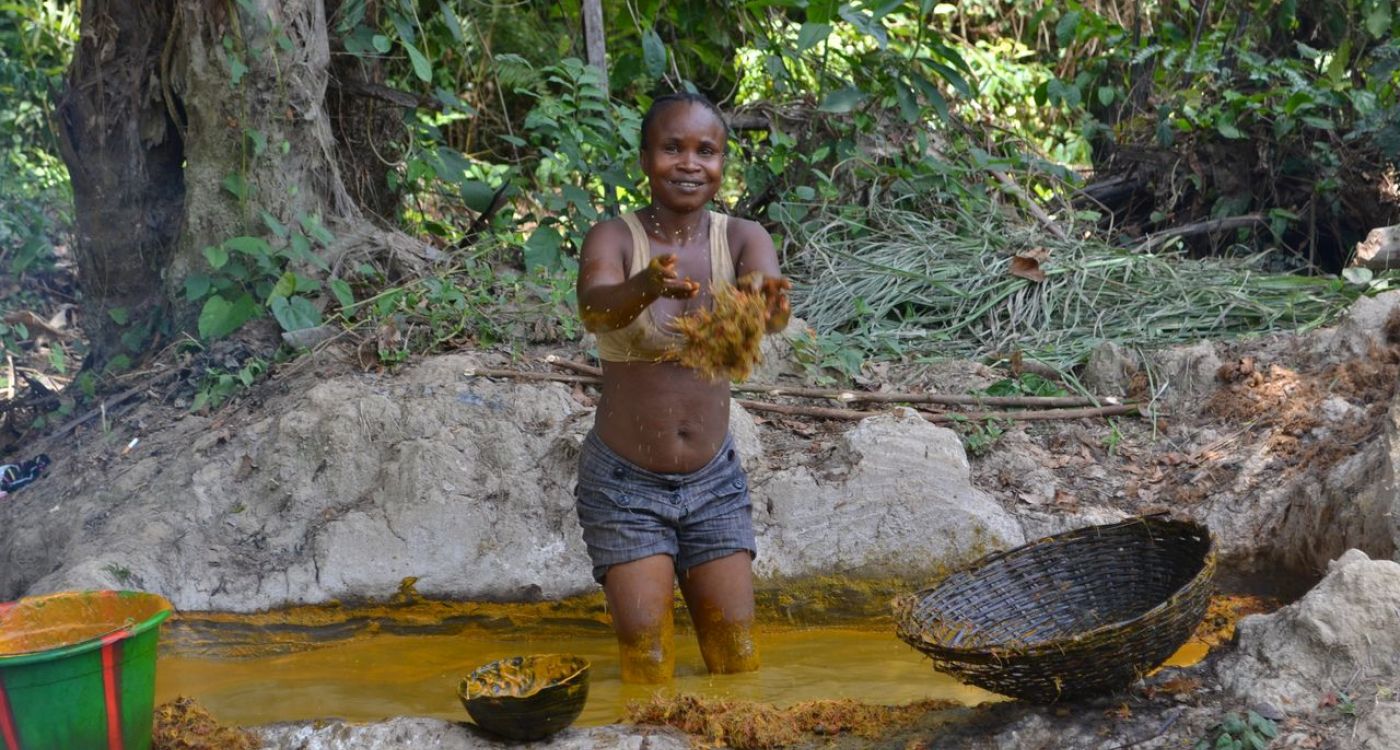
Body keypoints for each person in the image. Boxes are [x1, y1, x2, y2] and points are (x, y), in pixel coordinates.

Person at [573, 92, 790, 683]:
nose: (690, 163)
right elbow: (596, 309)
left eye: (706, 150)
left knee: (736, 656)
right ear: (645, 159)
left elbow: (769, 309)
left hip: (713, 480)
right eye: (672, 148)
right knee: (647, 661)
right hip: (626, 483)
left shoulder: (742, 236)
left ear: (723, 163)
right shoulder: (614, 240)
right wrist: (645, 287)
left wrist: (768, 306)